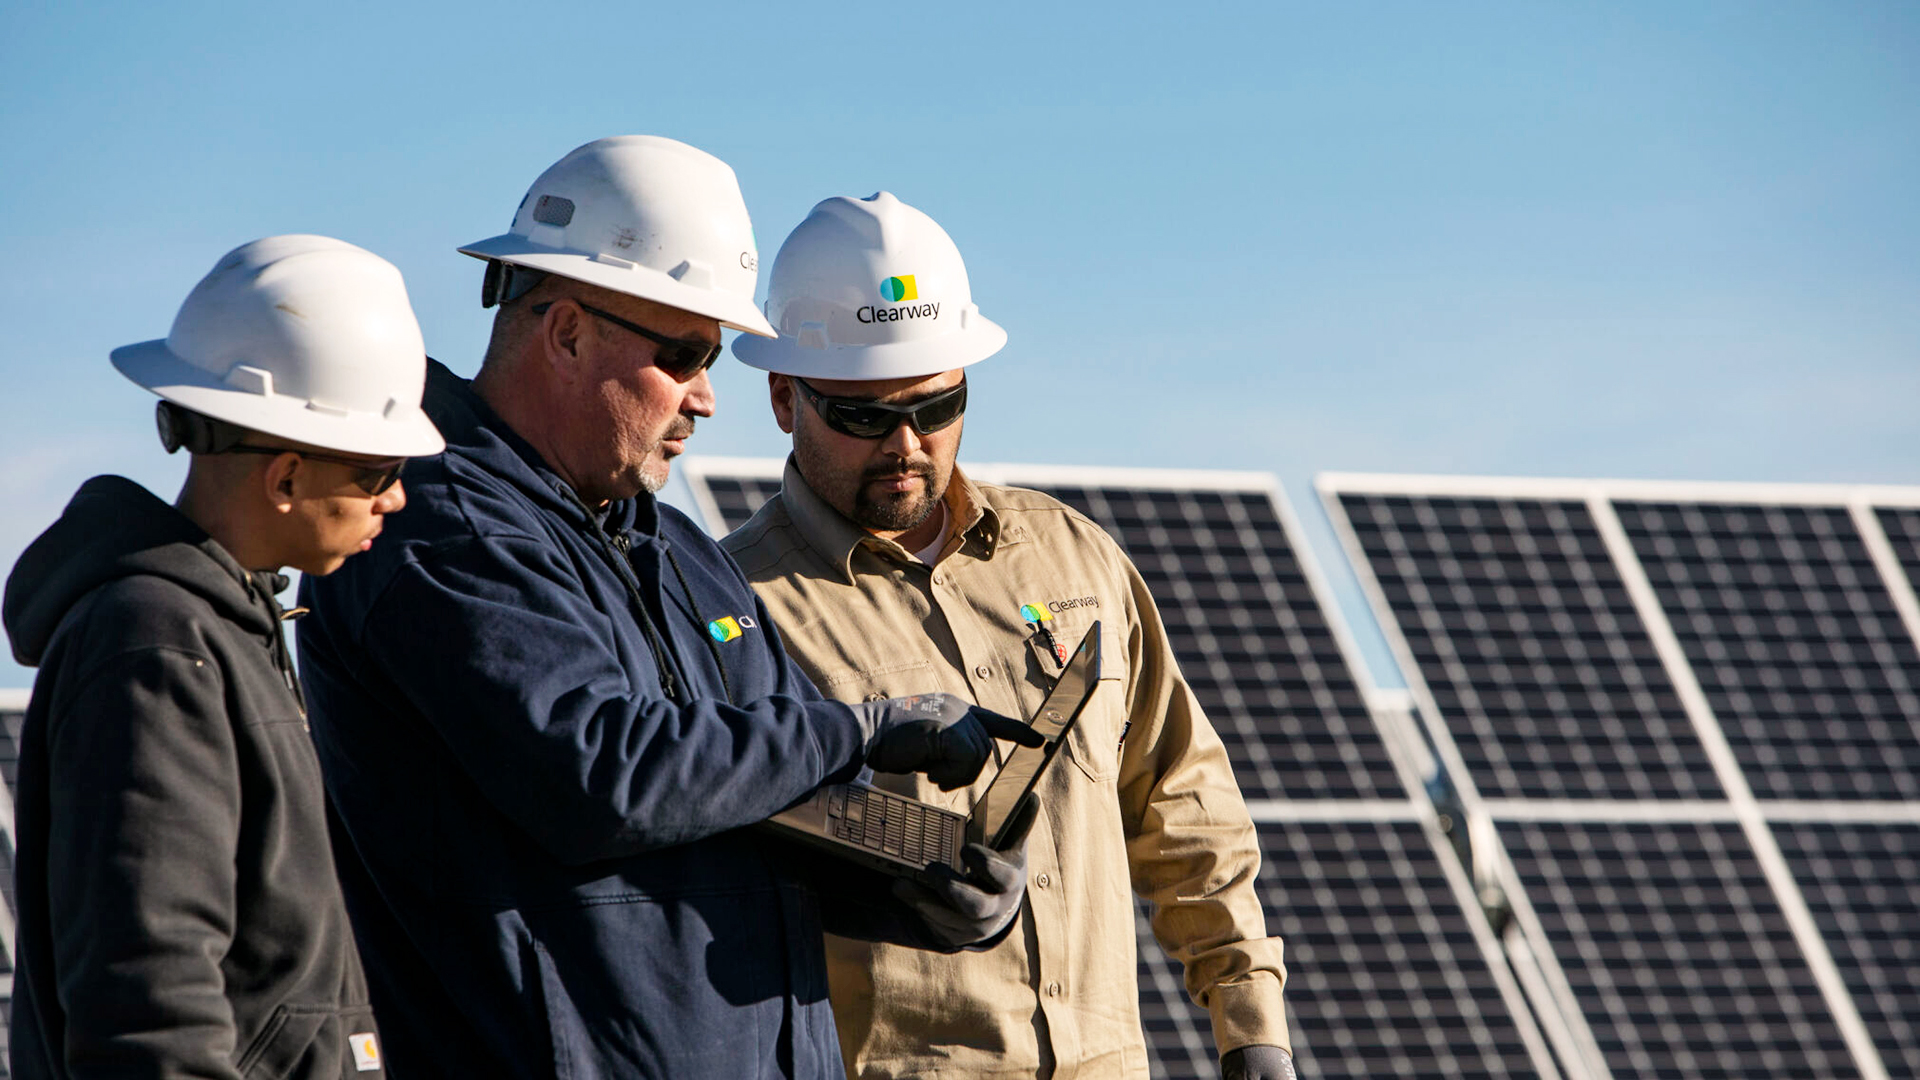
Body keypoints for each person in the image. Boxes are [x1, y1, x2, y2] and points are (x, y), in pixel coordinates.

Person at [295, 137, 1041, 1080]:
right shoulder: (433, 528)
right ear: (568, 332)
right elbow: (601, 771)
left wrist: (922, 884)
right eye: (684, 355)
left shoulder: (674, 547)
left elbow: (765, 799)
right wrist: (862, 730)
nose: (706, 398)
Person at [723, 192, 1298, 1080]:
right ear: (781, 397)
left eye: (938, 405)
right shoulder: (731, 609)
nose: (907, 443)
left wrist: (1251, 1022)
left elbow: (1181, 796)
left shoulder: (1074, 558)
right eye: (864, 416)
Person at [3, 235, 445, 1079]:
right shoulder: (157, 650)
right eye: (377, 469)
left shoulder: (218, 632)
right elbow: (151, 1004)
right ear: (285, 477)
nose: (395, 497)